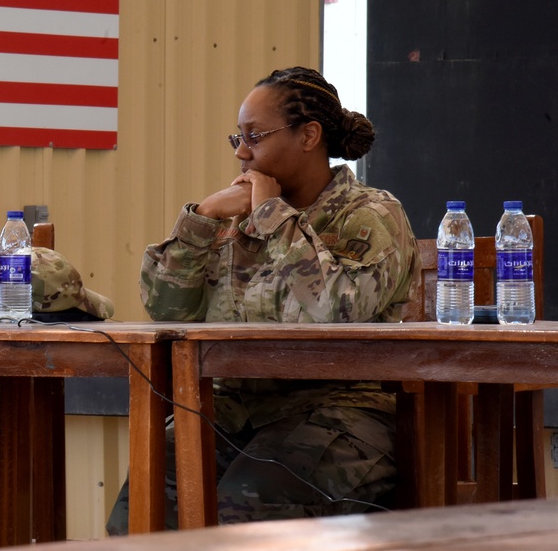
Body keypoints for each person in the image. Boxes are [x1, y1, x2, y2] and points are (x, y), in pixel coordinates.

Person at [107, 66, 420, 533]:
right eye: (237, 137)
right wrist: (203, 219)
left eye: (255, 136)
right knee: (139, 514)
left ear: (309, 135)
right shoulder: (235, 217)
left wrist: (274, 215)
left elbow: (338, 308)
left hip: (342, 409)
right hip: (235, 409)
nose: (242, 152)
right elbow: (169, 309)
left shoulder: (371, 214)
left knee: (247, 507)